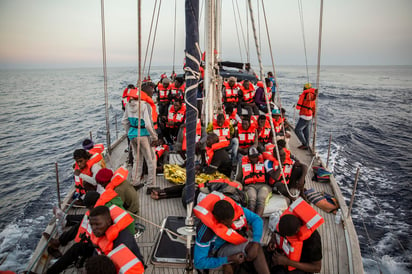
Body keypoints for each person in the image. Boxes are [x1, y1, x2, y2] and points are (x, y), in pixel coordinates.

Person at [47, 206, 144, 274]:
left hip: (119, 264)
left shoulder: (122, 243)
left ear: (109, 221)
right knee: (78, 247)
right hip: (104, 253)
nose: (94, 228)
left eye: (97, 224)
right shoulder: (104, 231)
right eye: (92, 224)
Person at [193, 192, 269, 274]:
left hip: (231, 242)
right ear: (218, 220)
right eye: (227, 223)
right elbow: (199, 263)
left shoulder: (234, 209)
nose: (231, 224)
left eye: (232, 220)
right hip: (216, 252)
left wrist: (256, 243)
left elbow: (257, 219)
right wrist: (228, 259)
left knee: (255, 249)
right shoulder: (205, 233)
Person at [266, 198, 323, 273]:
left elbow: (316, 268)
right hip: (285, 254)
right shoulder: (286, 222)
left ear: (297, 231)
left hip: (299, 266)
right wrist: (273, 240)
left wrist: (287, 262)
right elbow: (276, 233)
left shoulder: (313, 239)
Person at [121, 82, 158, 186]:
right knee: (151, 160)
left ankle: (135, 181)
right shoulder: (144, 106)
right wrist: (154, 137)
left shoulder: (128, 105)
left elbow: (124, 122)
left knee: (137, 160)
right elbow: (147, 124)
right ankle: (151, 184)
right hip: (143, 135)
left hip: (132, 135)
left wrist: (130, 133)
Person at [236, 147, 270, 216]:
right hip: (250, 186)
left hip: (263, 185)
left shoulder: (264, 162)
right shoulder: (242, 163)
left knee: (261, 198)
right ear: (248, 157)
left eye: (256, 157)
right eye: (252, 157)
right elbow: (238, 177)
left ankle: (257, 219)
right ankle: (250, 220)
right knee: (252, 199)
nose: (255, 159)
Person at [294, 83, 318, 150]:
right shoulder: (307, 95)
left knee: (297, 130)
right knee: (305, 130)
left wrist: (314, 95)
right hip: (309, 116)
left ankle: (305, 144)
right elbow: (313, 106)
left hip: (305, 116)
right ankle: (307, 144)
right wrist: (313, 115)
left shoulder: (308, 95)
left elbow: (310, 98)